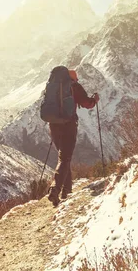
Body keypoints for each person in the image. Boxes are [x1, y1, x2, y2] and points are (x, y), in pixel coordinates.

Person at [48, 69, 98, 206]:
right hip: (68, 126)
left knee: (64, 157)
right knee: (65, 157)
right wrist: (94, 100)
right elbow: (87, 103)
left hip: (53, 125)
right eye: (76, 79)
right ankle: (56, 189)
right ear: (73, 79)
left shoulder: (53, 86)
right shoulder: (74, 87)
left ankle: (67, 190)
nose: (77, 81)